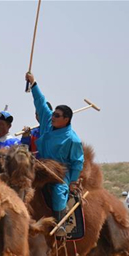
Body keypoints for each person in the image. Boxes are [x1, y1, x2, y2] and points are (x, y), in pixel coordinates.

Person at [25, 72, 84, 236]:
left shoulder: (73, 139)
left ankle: (61, 224)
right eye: (53, 114)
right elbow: (40, 102)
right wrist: (33, 84)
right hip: (40, 166)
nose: (53, 117)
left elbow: (77, 162)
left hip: (59, 172)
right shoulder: (47, 122)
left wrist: (72, 182)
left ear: (66, 119)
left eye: (57, 115)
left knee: (58, 192)